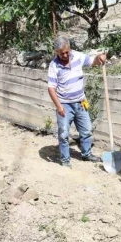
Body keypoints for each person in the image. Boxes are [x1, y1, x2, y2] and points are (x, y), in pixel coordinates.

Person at [47, 36, 107, 167]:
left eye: (66, 51)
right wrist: (59, 107)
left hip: (80, 102)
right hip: (64, 104)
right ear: (56, 52)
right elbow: (51, 88)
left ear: (70, 48)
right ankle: (65, 160)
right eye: (61, 53)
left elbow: (93, 62)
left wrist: (100, 58)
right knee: (63, 134)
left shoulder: (78, 56)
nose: (64, 55)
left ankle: (87, 154)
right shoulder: (54, 65)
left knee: (86, 131)